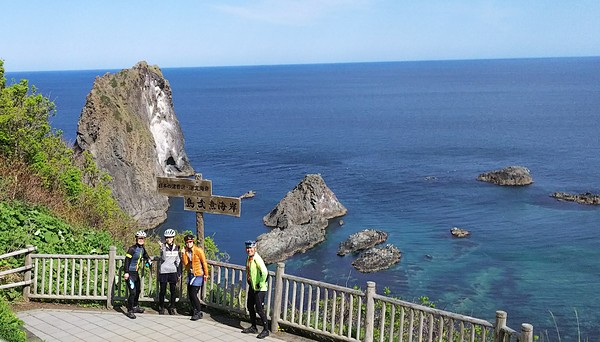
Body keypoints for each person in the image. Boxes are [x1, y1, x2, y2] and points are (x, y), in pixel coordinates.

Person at [241, 240, 270, 339]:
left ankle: (266, 330)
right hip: (253, 286)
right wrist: (249, 279)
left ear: (255, 249)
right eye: (247, 248)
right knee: (249, 306)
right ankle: (254, 327)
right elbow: (249, 270)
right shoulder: (249, 258)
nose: (249, 250)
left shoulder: (257, 259)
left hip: (260, 289)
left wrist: (260, 283)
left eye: (251, 248)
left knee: (259, 309)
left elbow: (265, 272)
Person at [123, 230, 151, 319]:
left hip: (136, 274)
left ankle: (135, 306)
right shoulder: (132, 249)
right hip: (130, 274)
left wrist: (148, 261)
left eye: (142, 238)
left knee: (138, 291)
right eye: (139, 238)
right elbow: (127, 260)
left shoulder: (142, 248)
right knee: (133, 292)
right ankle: (130, 310)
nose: (141, 240)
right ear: (136, 239)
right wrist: (126, 272)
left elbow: (146, 255)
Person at [181, 234, 208, 321]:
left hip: (198, 274)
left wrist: (206, 274)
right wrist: (183, 254)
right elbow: (185, 263)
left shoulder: (198, 250)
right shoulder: (186, 251)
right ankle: (194, 309)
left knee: (193, 294)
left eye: (190, 242)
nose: (189, 244)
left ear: (193, 242)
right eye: (187, 242)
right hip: (190, 274)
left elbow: (204, 262)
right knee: (190, 293)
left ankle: (199, 312)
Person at [158, 228, 181, 315]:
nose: (169, 239)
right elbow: (163, 258)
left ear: (173, 238)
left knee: (173, 290)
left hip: (173, 271)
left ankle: (172, 306)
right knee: (162, 290)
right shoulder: (163, 247)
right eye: (167, 237)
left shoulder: (176, 247)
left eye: (170, 237)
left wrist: (178, 272)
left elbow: (178, 260)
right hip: (163, 271)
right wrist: (162, 249)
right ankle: (161, 306)